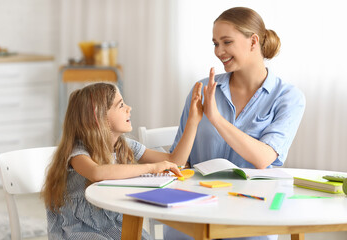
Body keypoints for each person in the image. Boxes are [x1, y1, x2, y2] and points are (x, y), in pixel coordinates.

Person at [164, 7, 306, 240]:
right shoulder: (202, 89)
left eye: (226, 42)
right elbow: (179, 158)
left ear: (253, 41)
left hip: (252, 211)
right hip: (196, 209)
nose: (219, 51)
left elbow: (263, 158)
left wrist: (216, 119)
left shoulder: (288, 97)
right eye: (215, 43)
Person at [41, 81, 203, 240]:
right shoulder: (78, 152)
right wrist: (151, 168)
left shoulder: (124, 145)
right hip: (77, 229)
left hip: (113, 224)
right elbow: (97, 173)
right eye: (121, 105)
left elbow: (175, 161)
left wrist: (193, 122)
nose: (128, 108)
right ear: (99, 117)